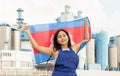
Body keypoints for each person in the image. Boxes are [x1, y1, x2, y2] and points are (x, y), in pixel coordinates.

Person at [22, 18, 90, 76]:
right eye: (59, 37)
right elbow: (37, 46)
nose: (62, 38)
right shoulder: (54, 51)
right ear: (56, 40)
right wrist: (28, 32)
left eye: (64, 35)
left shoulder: (74, 48)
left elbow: (86, 39)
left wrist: (85, 25)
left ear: (68, 37)